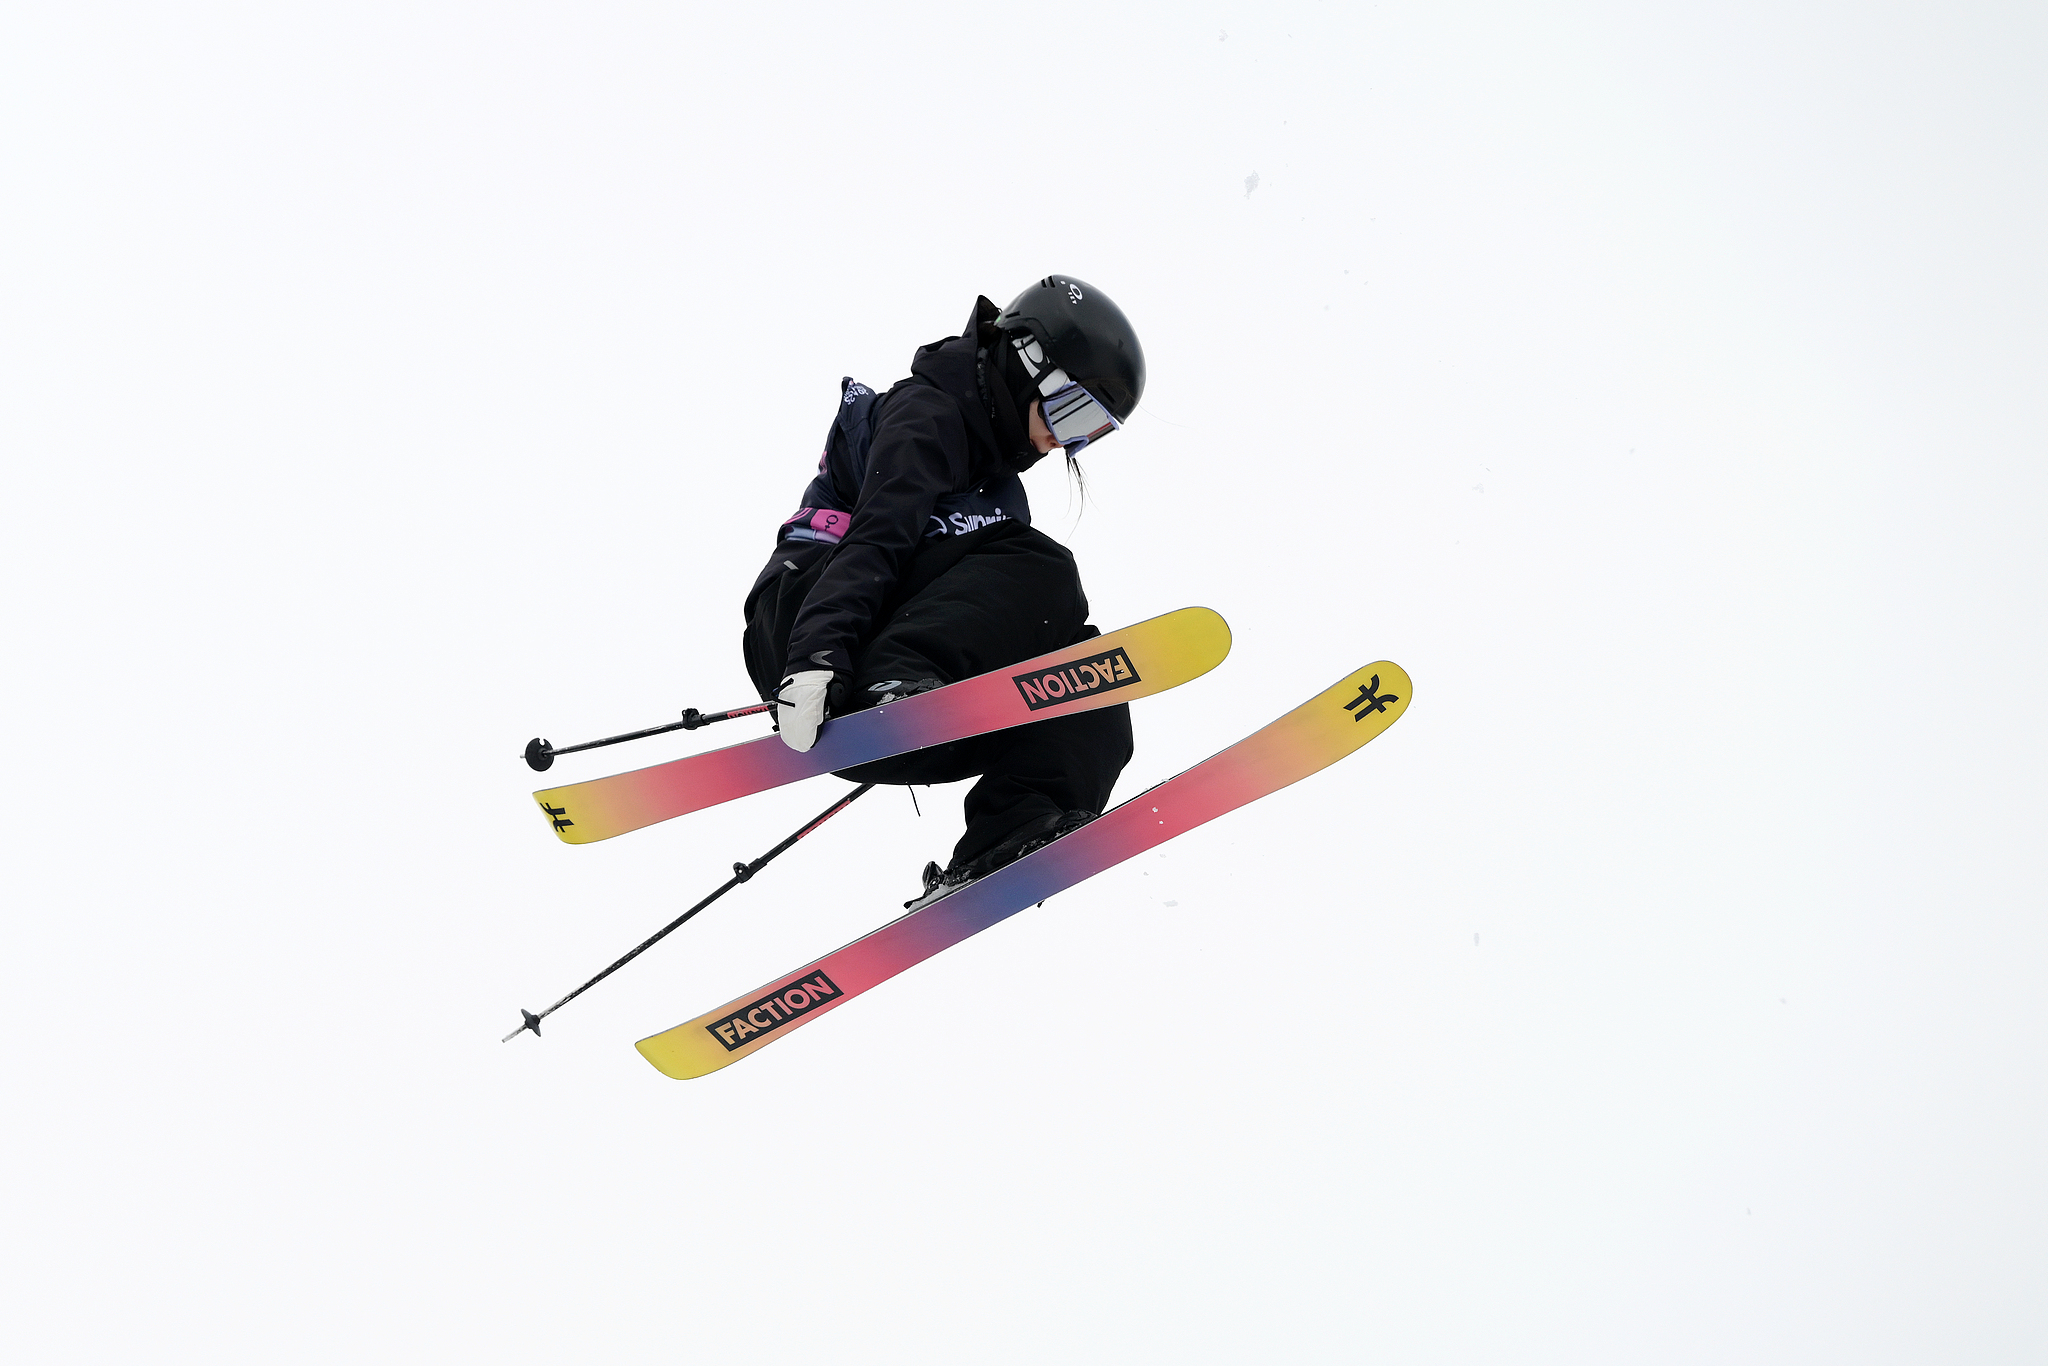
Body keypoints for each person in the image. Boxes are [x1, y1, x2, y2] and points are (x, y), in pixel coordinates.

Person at [741, 276, 1146, 910]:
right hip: (808, 627)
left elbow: (984, 612)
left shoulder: (998, 494)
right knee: (1044, 574)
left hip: (888, 660)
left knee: (1083, 674)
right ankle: (898, 689)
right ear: (1028, 362)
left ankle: (1017, 828)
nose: (1067, 441)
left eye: (1091, 432)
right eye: (1072, 413)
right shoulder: (929, 415)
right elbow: (877, 539)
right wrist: (816, 661)